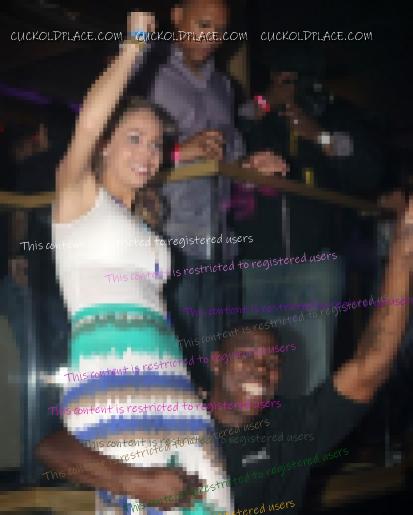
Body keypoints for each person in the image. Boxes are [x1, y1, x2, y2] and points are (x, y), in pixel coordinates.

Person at [37, 196, 413, 513]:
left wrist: (402, 251)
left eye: (272, 363)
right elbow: (53, 448)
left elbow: (372, 364)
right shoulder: (178, 415)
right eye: (246, 357)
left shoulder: (293, 427)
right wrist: (136, 481)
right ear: (217, 362)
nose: (261, 371)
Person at [50, 10, 235, 514]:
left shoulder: (145, 225)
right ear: (105, 144)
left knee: (213, 504)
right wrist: (133, 45)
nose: (148, 152)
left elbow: (157, 310)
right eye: (134, 137)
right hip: (114, 377)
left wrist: (187, 376)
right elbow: (88, 121)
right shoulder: (79, 199)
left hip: (170, 379)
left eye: (156, 144)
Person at [129, 0, 287, 365]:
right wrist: (179, 152)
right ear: (176, 16)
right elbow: (115, 150)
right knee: (175, 360)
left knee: (220, 361)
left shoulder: (224, 86)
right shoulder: (145, 72)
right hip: (169, 241)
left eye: (219, 30)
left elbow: (226, 159)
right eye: (203, 25)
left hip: (221, 246)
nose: (212, 37)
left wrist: (249, 166)